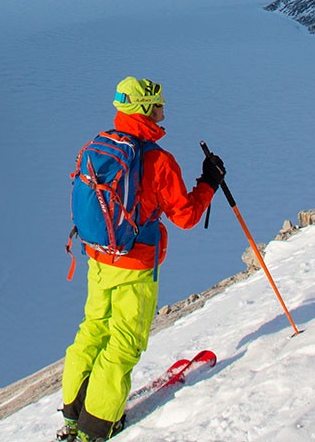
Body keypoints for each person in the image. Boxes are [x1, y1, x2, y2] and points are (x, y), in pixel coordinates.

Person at [59, 77, 224, 442]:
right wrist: (209, 182)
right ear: (145, 109)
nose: (164, 111)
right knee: (123, 343)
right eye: (159, 105)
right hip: (135, 264)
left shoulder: (98, 146)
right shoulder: (158, 161)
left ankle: (73, 415)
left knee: (92, 331)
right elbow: (185, 216)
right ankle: (96, 427)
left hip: (99, 259)